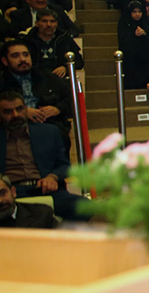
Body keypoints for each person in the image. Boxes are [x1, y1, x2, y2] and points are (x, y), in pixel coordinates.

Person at [0, 90, 87, 220]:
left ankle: (57, 232)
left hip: (43, 188)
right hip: (11, 192)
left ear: (26, 109)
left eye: (19, 109)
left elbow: (64, 165)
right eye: (8, 112)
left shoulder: (49, 132)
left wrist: (52, 177)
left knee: (84, 207)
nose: (15, 115)